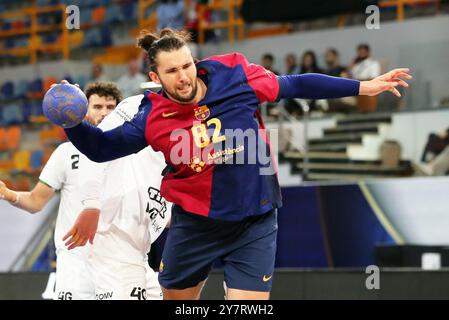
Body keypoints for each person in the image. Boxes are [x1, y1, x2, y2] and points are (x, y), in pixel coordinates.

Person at [59, 28, 411, 300]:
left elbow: (295, 84)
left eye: (187, 66)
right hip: (195, 225)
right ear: (155, 77)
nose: (183, 77)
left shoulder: (235, 74)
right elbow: (102, 149)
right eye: (172, 71)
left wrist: (362, 87)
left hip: (253, 219)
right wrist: (71, 120)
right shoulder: (150, 116)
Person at [0, 82, 121, 300]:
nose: (105, 112)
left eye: (111, 107)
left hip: (120, 260)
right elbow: (36, 201)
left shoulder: (133, 152)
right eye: (98, 106)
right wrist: (9, 194)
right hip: (76, 262)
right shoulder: (66, 153)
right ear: (83, 111)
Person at [65, 94, 171, 300]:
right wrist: (92, 205)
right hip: (115, 239)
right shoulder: (138, 106)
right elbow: (94, 149)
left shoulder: (197, 120)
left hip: (140, 249)